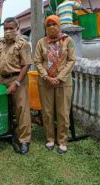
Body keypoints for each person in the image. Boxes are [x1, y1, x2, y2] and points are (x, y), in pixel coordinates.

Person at [0, 17, 32, 155]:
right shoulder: (0, 43)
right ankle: (9, 133)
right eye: (5, 28)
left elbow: (26, 64)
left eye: (10, 28)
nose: (7, 31)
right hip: (2, 80)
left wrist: (17, 82)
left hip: (17, 79)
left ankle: (24, 140)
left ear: (17, 28)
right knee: (5, 109)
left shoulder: (23, 44)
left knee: (21, 109)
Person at [34, 15, 76, 154]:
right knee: (47, 112)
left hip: (63, 82)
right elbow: (37, 61)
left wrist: (59, 77)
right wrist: (46, 76)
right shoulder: (41, 42)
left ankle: (63, 141)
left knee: (63, 112)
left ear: (59, 25)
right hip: (45, 82)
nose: (52, 27)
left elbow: (72, 60)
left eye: (54, 24)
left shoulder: (68, 40)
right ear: (45, 28)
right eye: (49, 25)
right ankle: (50, 139)